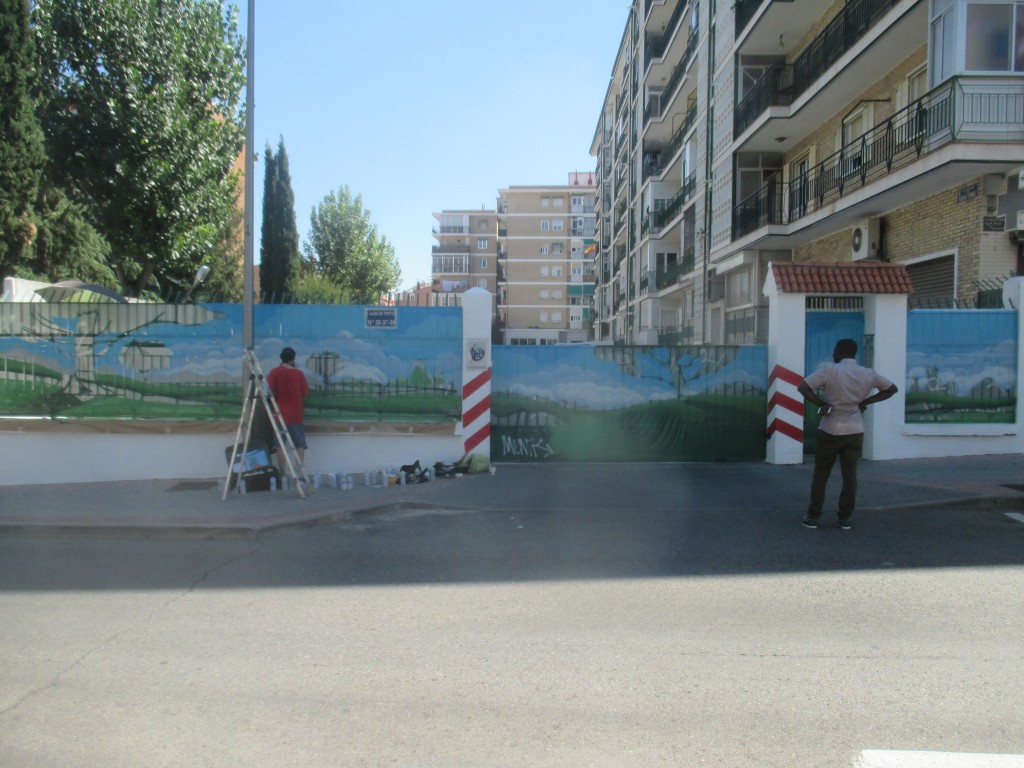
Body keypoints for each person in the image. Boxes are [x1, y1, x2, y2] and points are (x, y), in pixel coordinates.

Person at [797, 338, 898, 530]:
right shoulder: (868, 373)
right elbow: (892, 389)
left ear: (840, 352)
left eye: (835, 352)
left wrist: (821, 404)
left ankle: (813, 516)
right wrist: (866, 402)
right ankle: (844, 518)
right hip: (855, 429)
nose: (834, 355)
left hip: (830, 428)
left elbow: (803, 387)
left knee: (821, 473)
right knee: (850, 474)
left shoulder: (829, 370)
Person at [266, 346, 309, 473]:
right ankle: (299, 473)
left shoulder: (274, 372)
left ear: (281, 358)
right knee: (299, 445)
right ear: (293, 359)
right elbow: (305, 393)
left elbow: (269, 392)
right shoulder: (299, 374)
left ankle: (282, 473)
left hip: (279, 415)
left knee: (280, 446)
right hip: (296, 415)